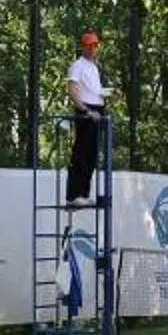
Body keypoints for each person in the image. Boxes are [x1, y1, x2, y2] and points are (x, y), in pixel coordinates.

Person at [65, 29, 109, 204]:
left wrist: (105, 97)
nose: (92, 49)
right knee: (81, 153)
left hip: (97, 110)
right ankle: (74, 195)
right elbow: (73, 91)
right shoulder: (78, 65)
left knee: (91, 155)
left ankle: (84, 193)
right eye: (89, 46)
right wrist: (86, 111)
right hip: (86, 112)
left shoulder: (94, 67)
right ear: (83, 47)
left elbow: (93, 91)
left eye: (95, 45)